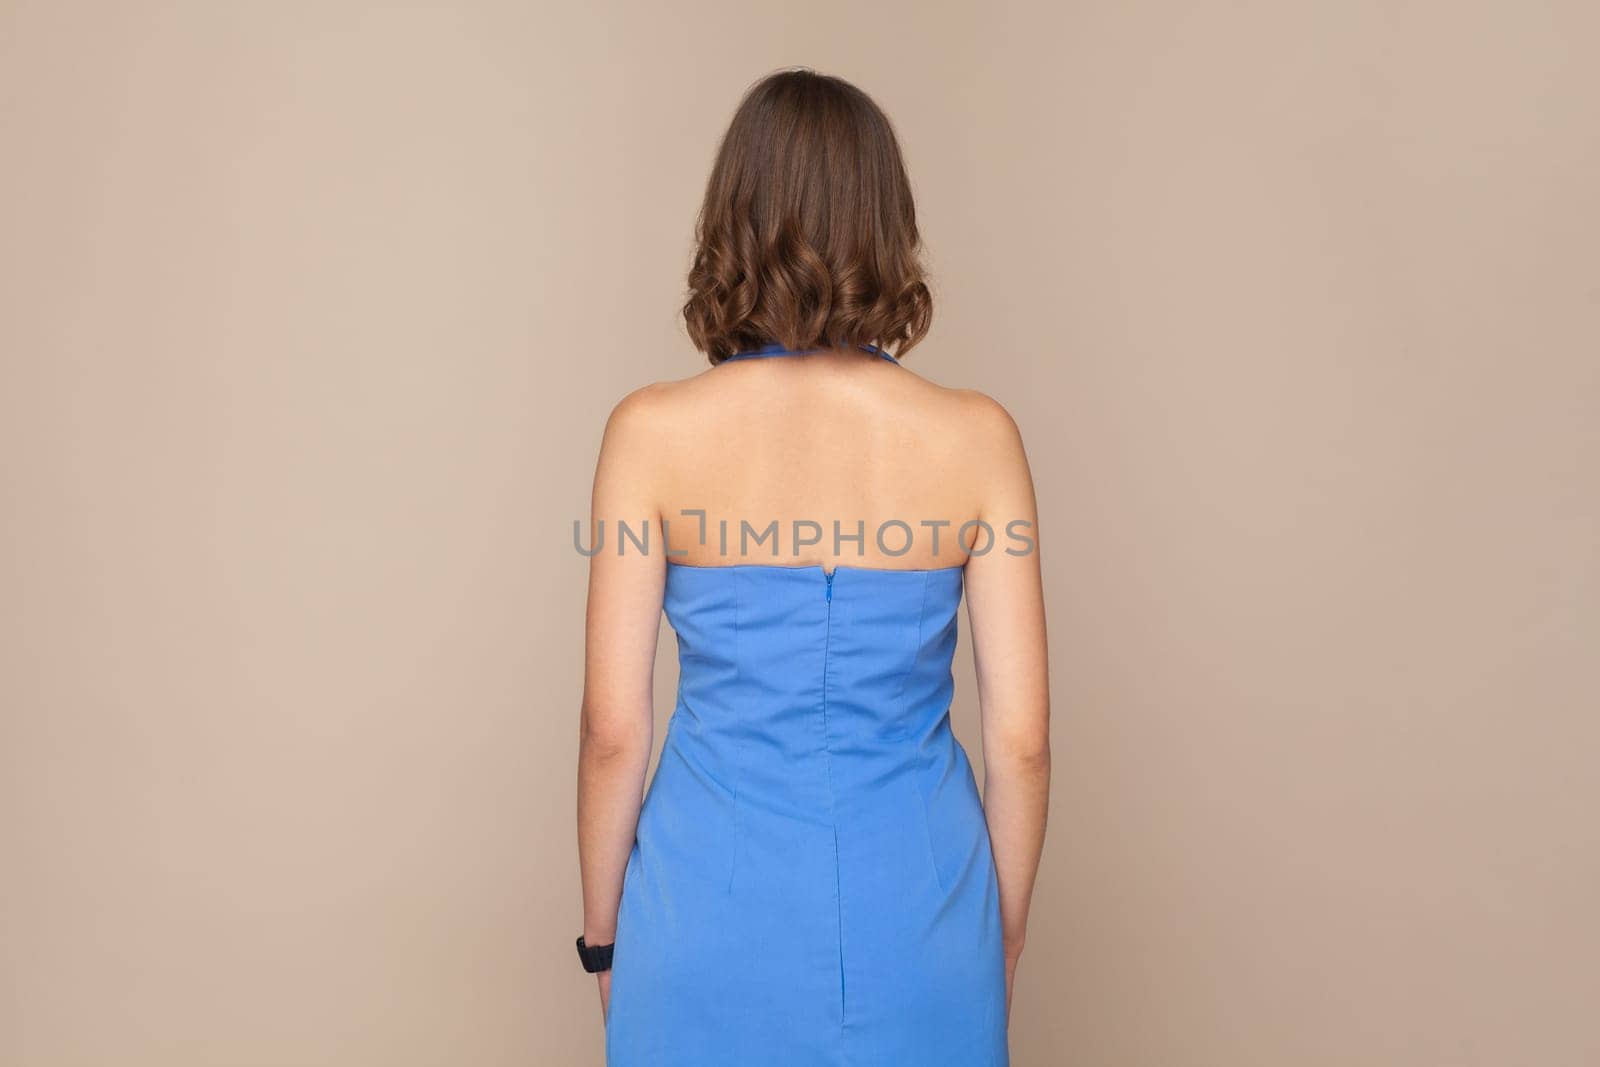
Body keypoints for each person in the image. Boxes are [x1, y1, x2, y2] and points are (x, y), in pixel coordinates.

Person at [575, 67, 1051, 1066]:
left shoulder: (649, 434)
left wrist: (604, 940)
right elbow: (1020, 743)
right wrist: (995, 938)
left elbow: (614, 731)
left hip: (699, 912)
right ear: (889, 224)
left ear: (730, 220)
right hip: (923, 912)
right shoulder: (977, 439)